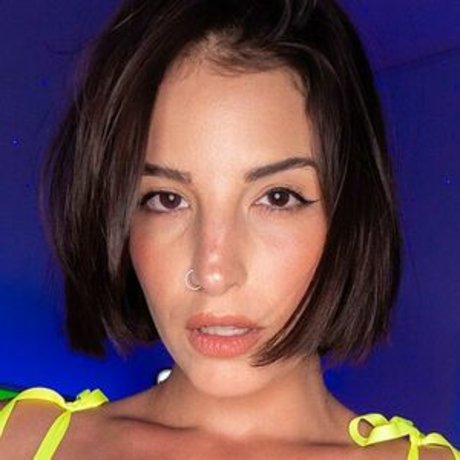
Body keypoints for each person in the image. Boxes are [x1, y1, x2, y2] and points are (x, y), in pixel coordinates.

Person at [0, 0, 458, 458]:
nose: (213, 271)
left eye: (277, 198)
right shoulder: (18, 441)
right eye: (167, 199)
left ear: (349, 216)